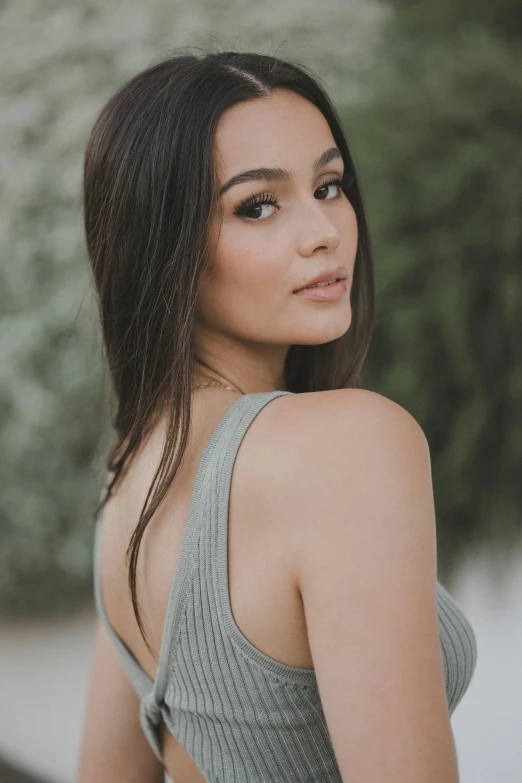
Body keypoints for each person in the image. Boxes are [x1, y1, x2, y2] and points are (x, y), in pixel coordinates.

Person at [76, 49, 477, 783]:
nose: (324, 230)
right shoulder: (347, 445)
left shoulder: (131, 474)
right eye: (257, 205)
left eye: (329, 185)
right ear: (162, 247)